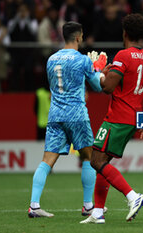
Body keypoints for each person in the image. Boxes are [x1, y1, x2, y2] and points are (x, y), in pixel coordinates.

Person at [80, 13, 143, 224]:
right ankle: (98, 212)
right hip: (133, 118)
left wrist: (98, 71)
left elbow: (107, 88)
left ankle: (133, 196)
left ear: (125, 33)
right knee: (104, 161)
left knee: (95, 160)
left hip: (117, 117)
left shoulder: (123, 55)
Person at [28, 21, 108, 218]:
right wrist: (98, 69)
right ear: (79, 37)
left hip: (55, 114)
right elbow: (98, 87)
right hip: (77, 115)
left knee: (47, 160)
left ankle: (34, 205)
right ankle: (88, 205)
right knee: (88, 157)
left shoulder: (51, 59)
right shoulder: (82, 60)